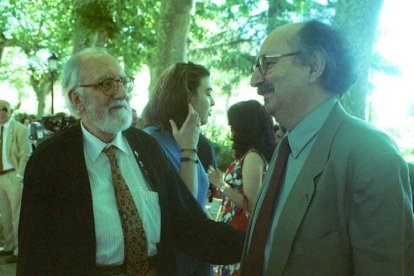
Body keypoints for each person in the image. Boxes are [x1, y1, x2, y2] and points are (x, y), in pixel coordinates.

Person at [17, 48, 244, 276]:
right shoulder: (50, 161)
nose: (121, 93)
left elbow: (186, 222)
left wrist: (255, 245)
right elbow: (34, 254)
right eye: (107, 84)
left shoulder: (146, 147)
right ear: (77, 99)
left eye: (124, 82)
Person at [241, 20, 414, 275]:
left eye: (267, 63)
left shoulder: (372, 155)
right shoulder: (285, 149)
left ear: (313, 66)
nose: (254, 80)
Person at [142, 62, 215, 276]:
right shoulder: (151, 141)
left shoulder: (185, 139)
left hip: (198, 257)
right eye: (208, 93)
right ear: (188, 97)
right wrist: (189, 150)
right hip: (177, 264)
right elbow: (186, 209)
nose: (213, 102)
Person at [208, 100, 276, 275]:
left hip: (240, 235)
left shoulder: (253, 157)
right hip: (234, 234)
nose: (231, 129)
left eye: (234, 125)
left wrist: (221, 184)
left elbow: (252, 205)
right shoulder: (251, 155)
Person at [0, 100, 31, 263]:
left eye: (5, 109)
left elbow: (26, 154)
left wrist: (19, 176)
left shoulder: (20, 129)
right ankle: (9, 246)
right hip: (0, 177)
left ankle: (20, 251)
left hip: (13, 176)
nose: (1, 112)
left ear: (11, 111)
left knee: (17, 215)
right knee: (4, 215)